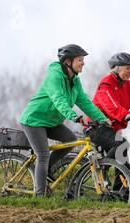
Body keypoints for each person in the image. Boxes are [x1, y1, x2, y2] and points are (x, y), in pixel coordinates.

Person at [19, 44, 110, 197]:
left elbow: (85, 102)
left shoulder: (75, 80)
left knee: (70, 140)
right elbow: (58, 99)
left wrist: (102, 119)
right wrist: (75, 116)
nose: (83, 63)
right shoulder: (54, 76)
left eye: (83, 60)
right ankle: (40, 196)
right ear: (68, 61)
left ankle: (46, 169)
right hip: (34, 120)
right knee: (43, 155)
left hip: (51, 122)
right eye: (80, 60)